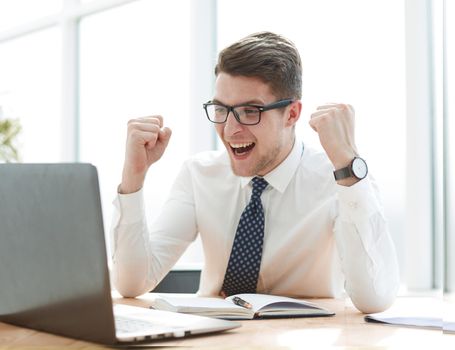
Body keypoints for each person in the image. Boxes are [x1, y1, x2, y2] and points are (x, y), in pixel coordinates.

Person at [111, 31, 399, 314]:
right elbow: (132, 283)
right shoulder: (199, 175)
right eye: (221, 109)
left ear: (292, 114)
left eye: (250, 111)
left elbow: (374, 299)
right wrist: (134, 176)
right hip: (212, 338)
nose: (230, 129)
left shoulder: (341, 179)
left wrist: (348, 165)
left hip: (307, 338)